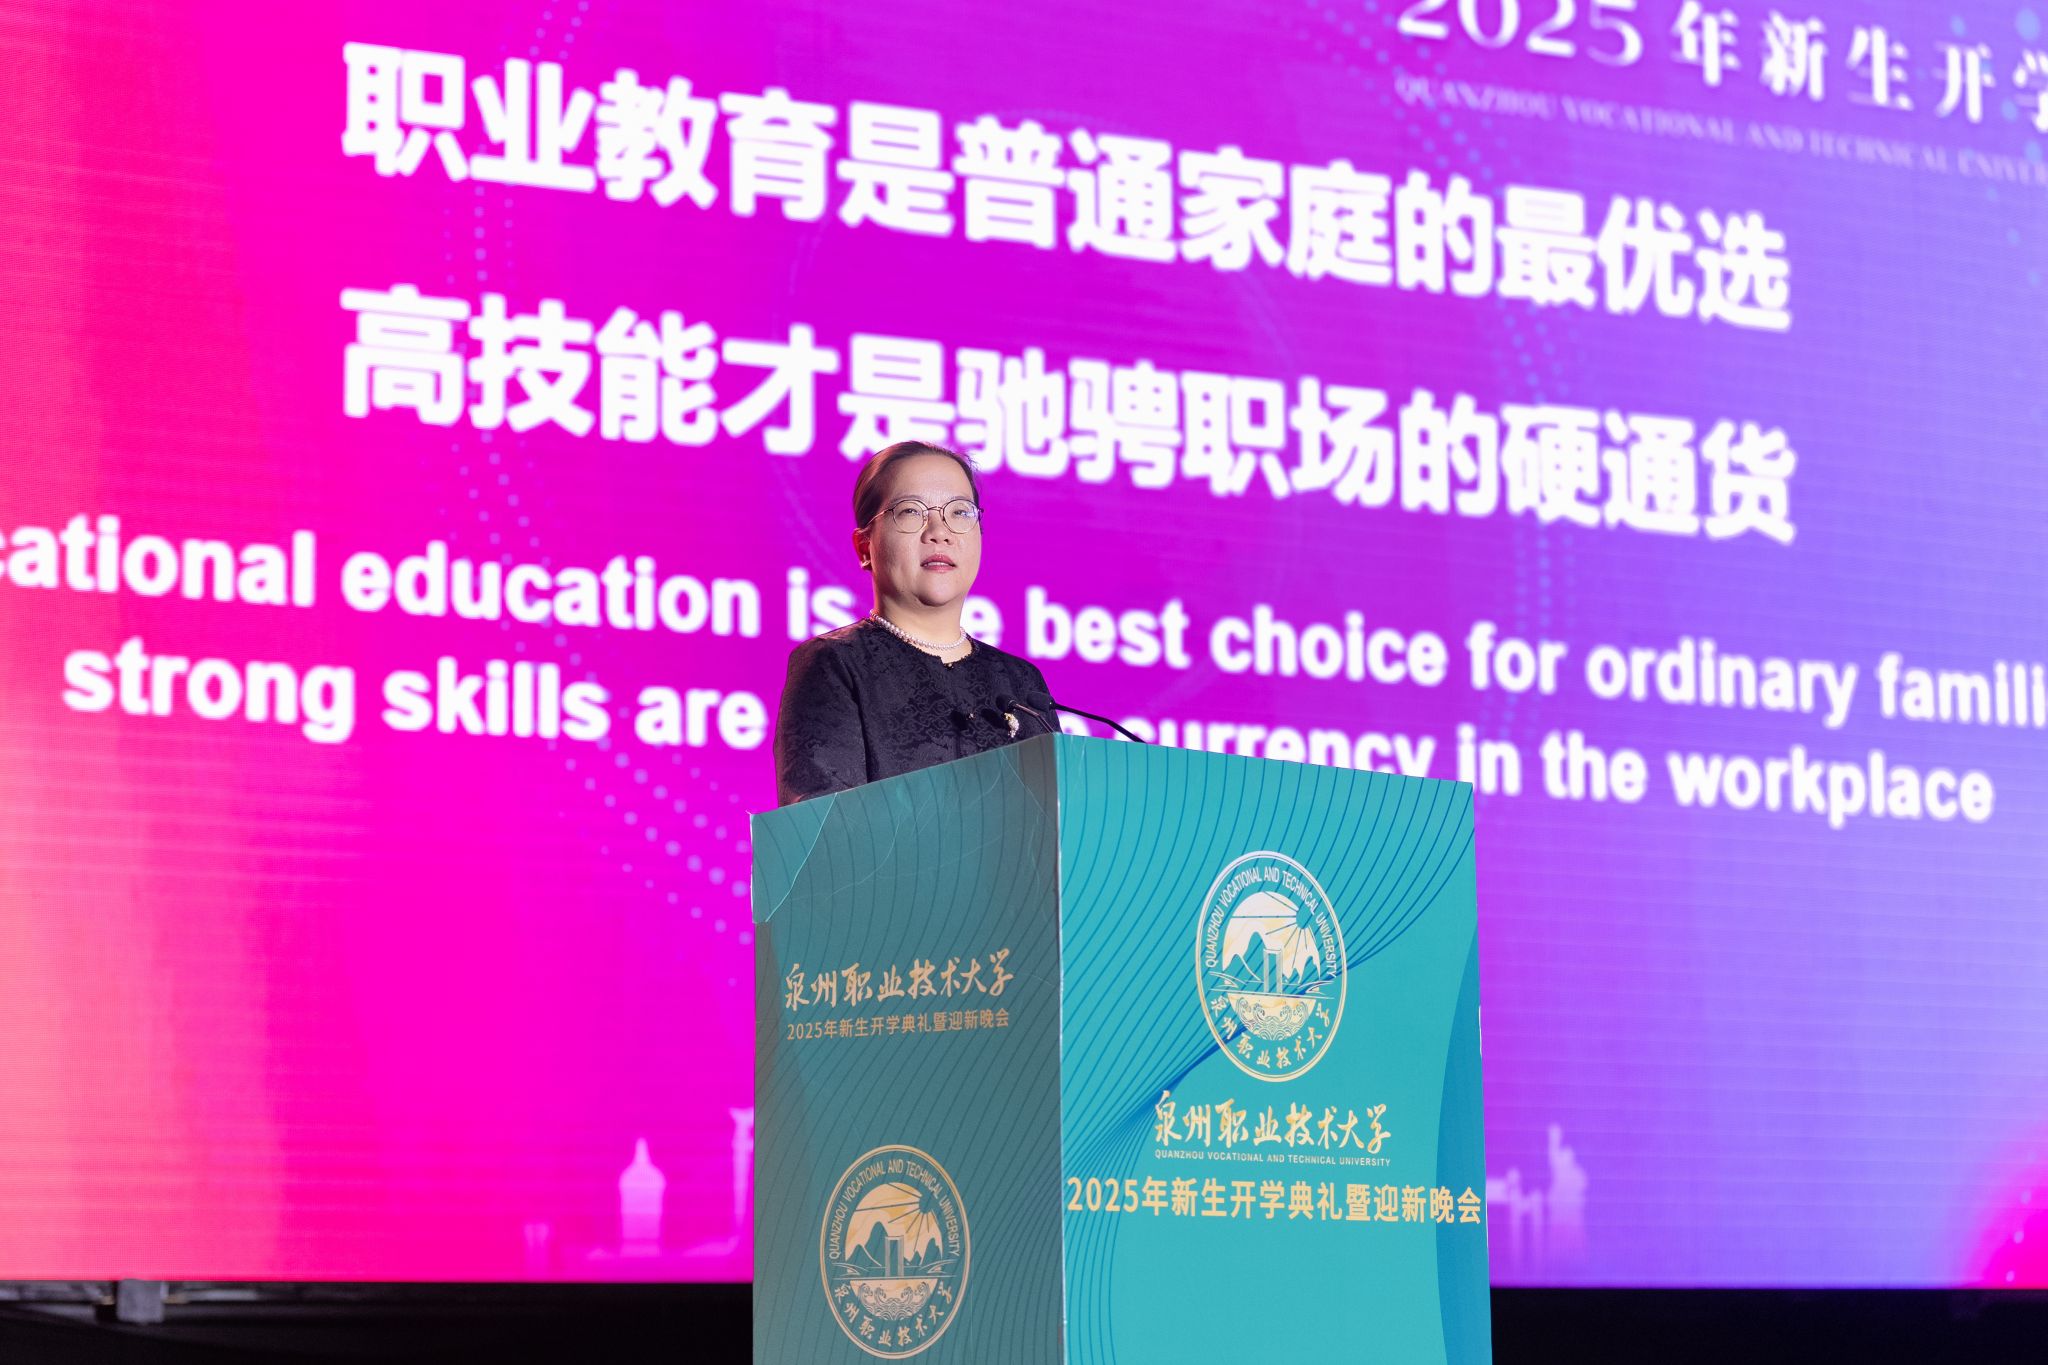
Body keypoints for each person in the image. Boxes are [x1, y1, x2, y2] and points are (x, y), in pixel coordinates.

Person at [773, 441, 1057, 805]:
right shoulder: (835, 663)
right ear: (864, 547)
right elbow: (823, 823)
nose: (939, 531)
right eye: (911, 511)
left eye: (960, 512)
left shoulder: (1022, 683)